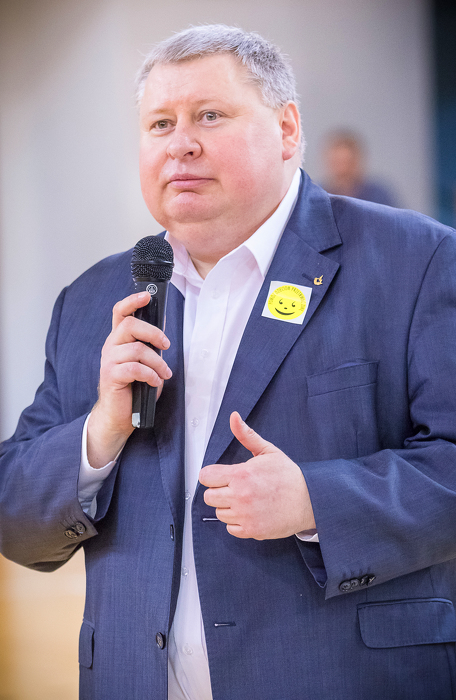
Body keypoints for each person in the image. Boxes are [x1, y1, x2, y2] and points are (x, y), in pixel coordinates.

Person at [1, 24, 456, 700]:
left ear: (287, 129)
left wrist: (315, 501)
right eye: (160, 123)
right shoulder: (93, 299)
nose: (180, 143)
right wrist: (100, 434)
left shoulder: (416, 261)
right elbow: (15, 521)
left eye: (210, 115)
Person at [322, 128, 398, 206]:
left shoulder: (379, 195)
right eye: (338, 162)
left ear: (357, 160)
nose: (343, 170)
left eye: (347, 162)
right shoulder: (318, 196)